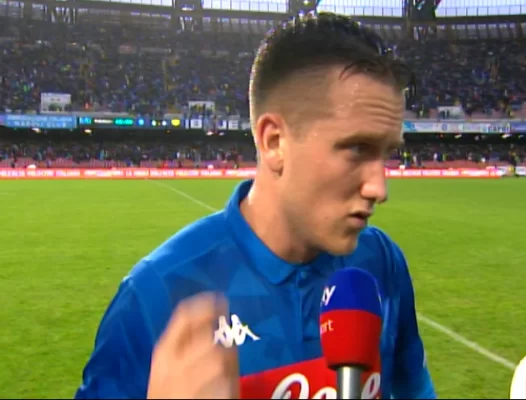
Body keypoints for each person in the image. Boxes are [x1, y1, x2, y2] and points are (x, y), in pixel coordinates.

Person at [74, 12, 436, 399]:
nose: (380, 187)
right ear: (274, 142)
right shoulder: (156, 294)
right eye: (357, 148)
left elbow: (414, 389)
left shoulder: (379, 261)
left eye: (387, 154)